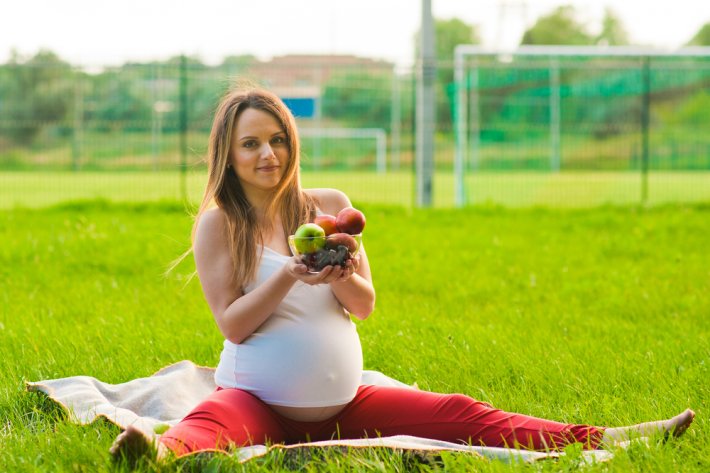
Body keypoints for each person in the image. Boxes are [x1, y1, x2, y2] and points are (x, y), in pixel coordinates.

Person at [110, 87, 694, 463]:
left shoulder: (328, 204)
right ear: (228, 154)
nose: (269, 154)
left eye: (279, 139)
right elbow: (233, 327)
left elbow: (362, 305)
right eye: (252, 144)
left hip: (346, 401)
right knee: (211, 421)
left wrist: (336, 270)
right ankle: (151, 452)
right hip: (258, 398)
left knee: (462, 414)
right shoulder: (219, 225)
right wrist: (288, 275)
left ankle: (614, 436)